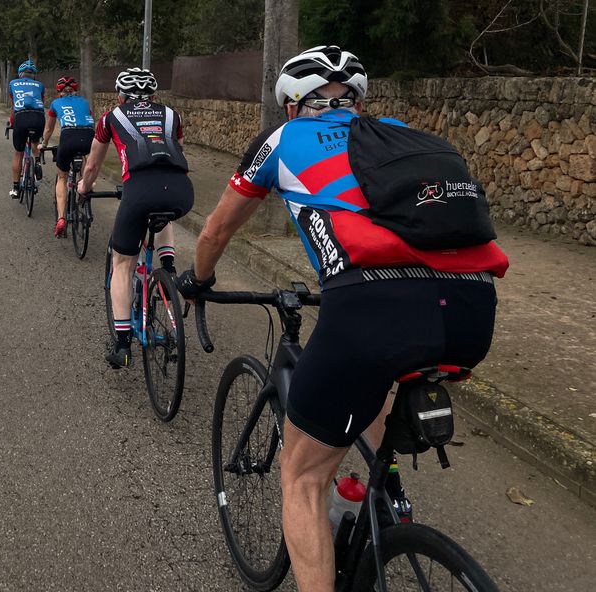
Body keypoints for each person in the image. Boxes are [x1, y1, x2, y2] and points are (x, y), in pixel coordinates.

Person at [176, 45, 509, 592]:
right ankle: (376, 489)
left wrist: (201, 282)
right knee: (375, 381)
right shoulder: (404, 133)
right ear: (357, 100)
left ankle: (348, 501)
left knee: (303, 475)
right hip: (472, 307)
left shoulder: (281, 141)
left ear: (290, 106)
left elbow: (214, 232)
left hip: (371, 308)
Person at [77, 67, 194, 368]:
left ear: (120, 96)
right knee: (162, 209)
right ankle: (167, 267)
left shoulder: (110, 118)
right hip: (181, 190)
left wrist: (83, 188)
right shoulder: (172, 115)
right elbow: (173, 150)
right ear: (155, 96)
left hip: (139, 189)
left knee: (123, 264)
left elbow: (92, 166)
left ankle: (122, 344)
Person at [38, 75, 96, 237]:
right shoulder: (85, 102)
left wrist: (44, 143)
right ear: (75, 91)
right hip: (88, 136)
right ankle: (86, 188)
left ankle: (62, 218)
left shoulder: (56, 103)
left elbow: (48, 129)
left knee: (62, 177)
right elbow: (89, 120)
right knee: (85, 159)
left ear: (59, 92)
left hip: (68, 137)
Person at [7, 60, 45, 199]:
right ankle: (38, 163)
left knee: (19, 153)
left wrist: (11, 122)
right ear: (33, 75)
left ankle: (16, 188)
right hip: (38, 117)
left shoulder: (13, 83)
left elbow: (13, 105)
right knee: (35, 144)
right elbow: (40, 102)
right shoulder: (40, 85)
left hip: (21, 117)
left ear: (20, 74)